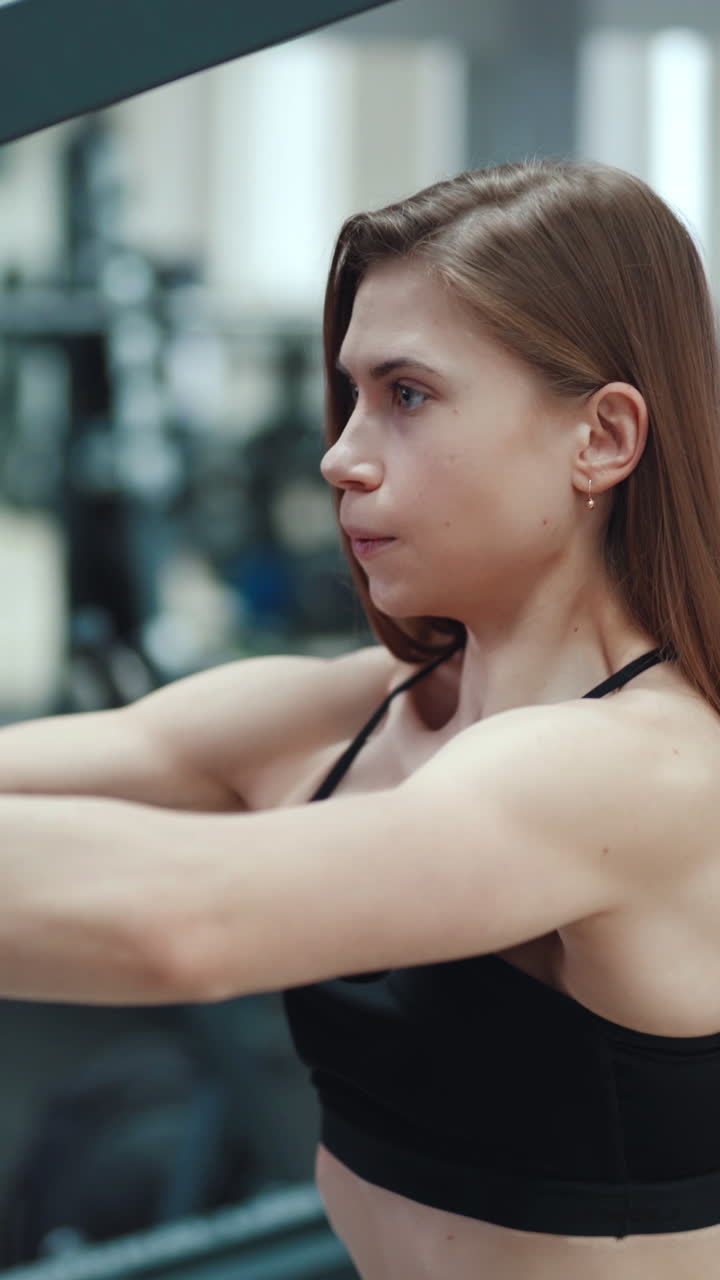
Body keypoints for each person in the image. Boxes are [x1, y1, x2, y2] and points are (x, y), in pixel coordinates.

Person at [1, 158, 720, 1279]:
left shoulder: (644, 769)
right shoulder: (342, 711)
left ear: (603, 438)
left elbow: (179, 919)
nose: (341, 453)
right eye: (355, 394)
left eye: (410, 395)